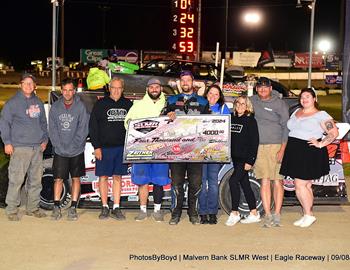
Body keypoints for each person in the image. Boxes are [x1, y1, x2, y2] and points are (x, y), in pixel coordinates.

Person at [280, 88, 338, 227]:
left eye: (308, 96)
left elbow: (334, 132)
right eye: (302, 97)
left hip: (308, 151)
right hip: (294, 151)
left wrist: (320, 144)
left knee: (300, 185)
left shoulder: (321, 115)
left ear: (314, 99)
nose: (304, 99)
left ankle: (308, 215)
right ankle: (308, 213)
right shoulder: (296, 112)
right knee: (305, 185)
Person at [0, 73, 48, 221]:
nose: (28, 85)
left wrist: (45, 139)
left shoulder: (38, 102)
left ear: (35, 86)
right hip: (20, 148)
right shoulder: (12, 103)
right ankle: (12, 210)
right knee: (16, 180)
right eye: (25, 83)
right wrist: (7, 142)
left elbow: (43, 123)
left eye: (31, 83)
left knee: (35, 180)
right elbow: (4, 123)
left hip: (37, 148)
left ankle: (32, 208)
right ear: (20, 84)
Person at [164, 70, 210, 225]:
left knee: (196, 183)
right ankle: (175, 213)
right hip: (176, 150)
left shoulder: (203, 102)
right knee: (176, 183)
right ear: (179, 82)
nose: (185, 83)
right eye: (182, 80)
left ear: (193, 82)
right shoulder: (171, 100)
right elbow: (161, 123)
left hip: (196, 150)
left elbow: (209, 125)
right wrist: (167, 117)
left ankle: (193, 213)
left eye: (188, 80)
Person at [124, 78, 171, 222]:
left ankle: (157, 210)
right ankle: (142, 210)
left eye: (157, 87)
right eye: (152, 87)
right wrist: (138, 131)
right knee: (142, 179)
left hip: (161, 148)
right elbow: (127, 122)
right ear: (147, 89)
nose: (154, 89)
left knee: (159, 180)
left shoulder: (168, 104)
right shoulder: (138, 105)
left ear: (161, 89)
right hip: (141, 147)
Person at [89, 77, 132, 220]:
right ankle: (104, 206)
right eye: (113, 87)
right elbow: (93, 127)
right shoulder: (100, 104)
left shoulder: (128, 104)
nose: (116, 90)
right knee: (103, 177)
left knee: (118, 177)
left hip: (121, 148)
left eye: (119, 88)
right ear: (109, 88)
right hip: (104, 148)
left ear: (123, 89)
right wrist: (97, 147)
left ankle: (116, 206)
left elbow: (133, 126)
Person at [250, 77, 289, 227]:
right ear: (256, 89)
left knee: (278, 181)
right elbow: (238, 105)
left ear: (271, 88)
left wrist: (282, 150)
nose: (262, 89)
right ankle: (267, 214)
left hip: (277, 146)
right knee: (264, 181)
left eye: (265, 87)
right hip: (259, 147)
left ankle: (277, 214)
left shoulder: (279, 104)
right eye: (260, 87)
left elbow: (286, 127)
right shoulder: (252, 100)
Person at [49, 78, 89, 221]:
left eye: (70, 90)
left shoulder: (80, 107)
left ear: (74, 91)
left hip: (76, 150)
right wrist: (59, 145)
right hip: (60, 150)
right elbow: (52, 129)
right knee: (58, 179)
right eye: (64, 90)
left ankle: (73, 208)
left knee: (76, 178)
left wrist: (74, 146)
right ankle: (56, 206)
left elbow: (83, 129)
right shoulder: (55, 107)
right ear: (61, 90)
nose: (67, 93)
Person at [225, 96, 261, 226]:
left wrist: (250, 161)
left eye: (243, 104)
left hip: (245, 160)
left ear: (247, 106)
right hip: (235, 158)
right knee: (245, 185)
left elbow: (254, 142)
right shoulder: (232, 118)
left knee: (233, 181)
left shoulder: (251, 121)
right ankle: (254, 213)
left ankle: (235, 213)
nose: (240, 106)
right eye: (238, 103)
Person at [198, 85, 230, 225]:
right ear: (206, 94)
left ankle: (212, 212)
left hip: (216, 151)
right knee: (201, 182)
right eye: (210, 93)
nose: (212, 96)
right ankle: (202, 212)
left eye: (216, 94)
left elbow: (227, 129)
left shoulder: (223, 109)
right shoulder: (200, 107)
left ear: (219, 96)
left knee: (212, 183)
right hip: (199, 151)